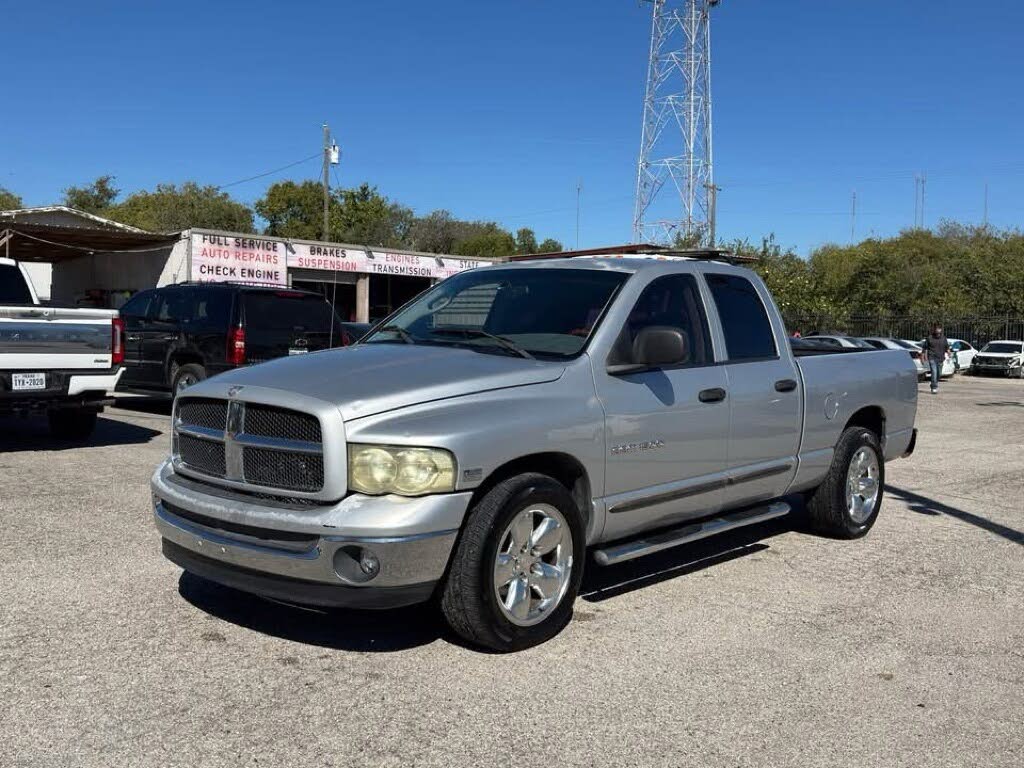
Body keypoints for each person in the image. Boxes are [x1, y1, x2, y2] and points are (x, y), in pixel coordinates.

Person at [921, 323, 951, 395]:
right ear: (934, 330)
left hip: (940, 358)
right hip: (932, 358)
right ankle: (934, 387)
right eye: (936, 328)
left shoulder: (944, 338)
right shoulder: (929, 338)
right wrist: (922, 357)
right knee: (934, 372)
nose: (937, 330)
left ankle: (933, 384)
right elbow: (924, 348)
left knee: (939, 374)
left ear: (941, 330)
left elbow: (947, 347)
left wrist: (949, 353)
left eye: (939, 328)